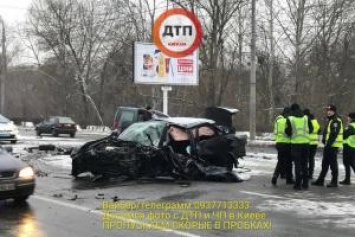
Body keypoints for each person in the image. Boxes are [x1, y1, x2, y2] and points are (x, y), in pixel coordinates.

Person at [312, 104, 343, 188]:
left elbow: (334, 134)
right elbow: (328, 132)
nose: (328, 112)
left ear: (334, 111)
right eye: (328, 110)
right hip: (329, 145)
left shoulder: (336, 120)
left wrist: (328, 144)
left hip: (332, 145)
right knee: (324, 163)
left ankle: (334, 181)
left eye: (331, 110)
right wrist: (324, 139)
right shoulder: (331, 120)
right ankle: (320, 180)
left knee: (333, 164)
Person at [285, 103, 313, 190]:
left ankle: (298, 184)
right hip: (306, 144)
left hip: (296, 144)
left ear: (292, 110)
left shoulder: (290, 118)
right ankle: (305, 184)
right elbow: (311, 129)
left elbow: (288, 132)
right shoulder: (306, 118)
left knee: (297, 164)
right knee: (305, 163)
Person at [271, 107, 293, 185]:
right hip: (287, 143)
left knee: (280, 161)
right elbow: (291, 132)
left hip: (279, 143)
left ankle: (275, 175)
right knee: (288, 162)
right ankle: (289, 179)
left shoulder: (278, 121)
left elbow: (275, 132)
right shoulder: (289, 121)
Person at [303, 109, 321, 179]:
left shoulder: (306, 121)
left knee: (305, 159)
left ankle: (305, 173)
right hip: (315, 143)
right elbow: (319, 131)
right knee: (311, 159)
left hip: (308, 142)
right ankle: (310, 174)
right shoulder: (315, 121)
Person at [340, 112, 355, 185]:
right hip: (353, 146)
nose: (347, 118)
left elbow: (344, 135)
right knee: (351, 162)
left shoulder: (350, 126)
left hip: (348, 146)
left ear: (351, 118)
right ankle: (347, 179)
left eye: (348, 117)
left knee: (347, 163)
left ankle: (347, 180)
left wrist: (343, 131)